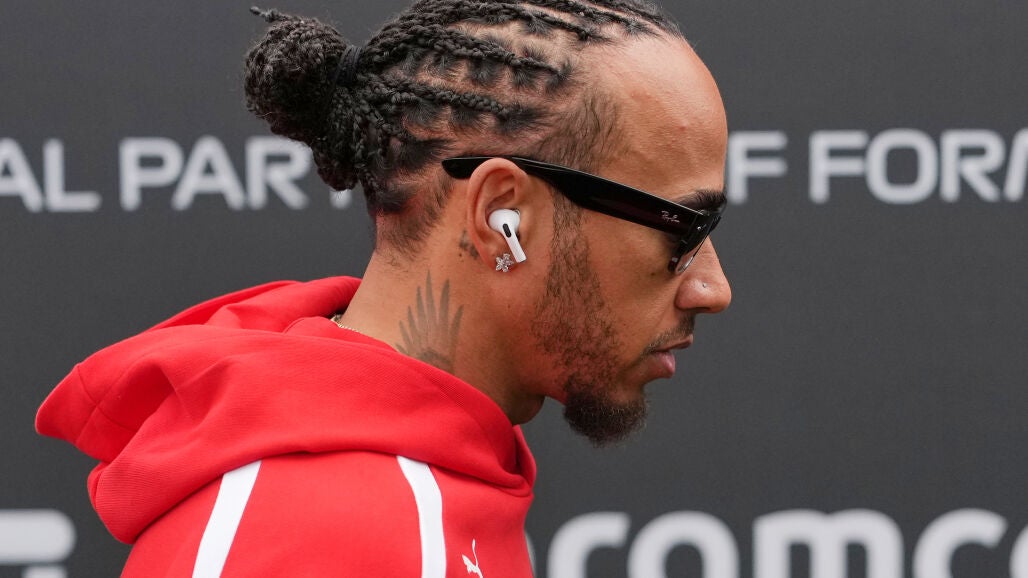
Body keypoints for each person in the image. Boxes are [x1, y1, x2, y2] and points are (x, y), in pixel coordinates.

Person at [36, 0, 731, 575]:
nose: (712, 287)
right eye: (681, 228)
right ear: (503, 217)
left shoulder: (431, 474)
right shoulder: (320, 530)